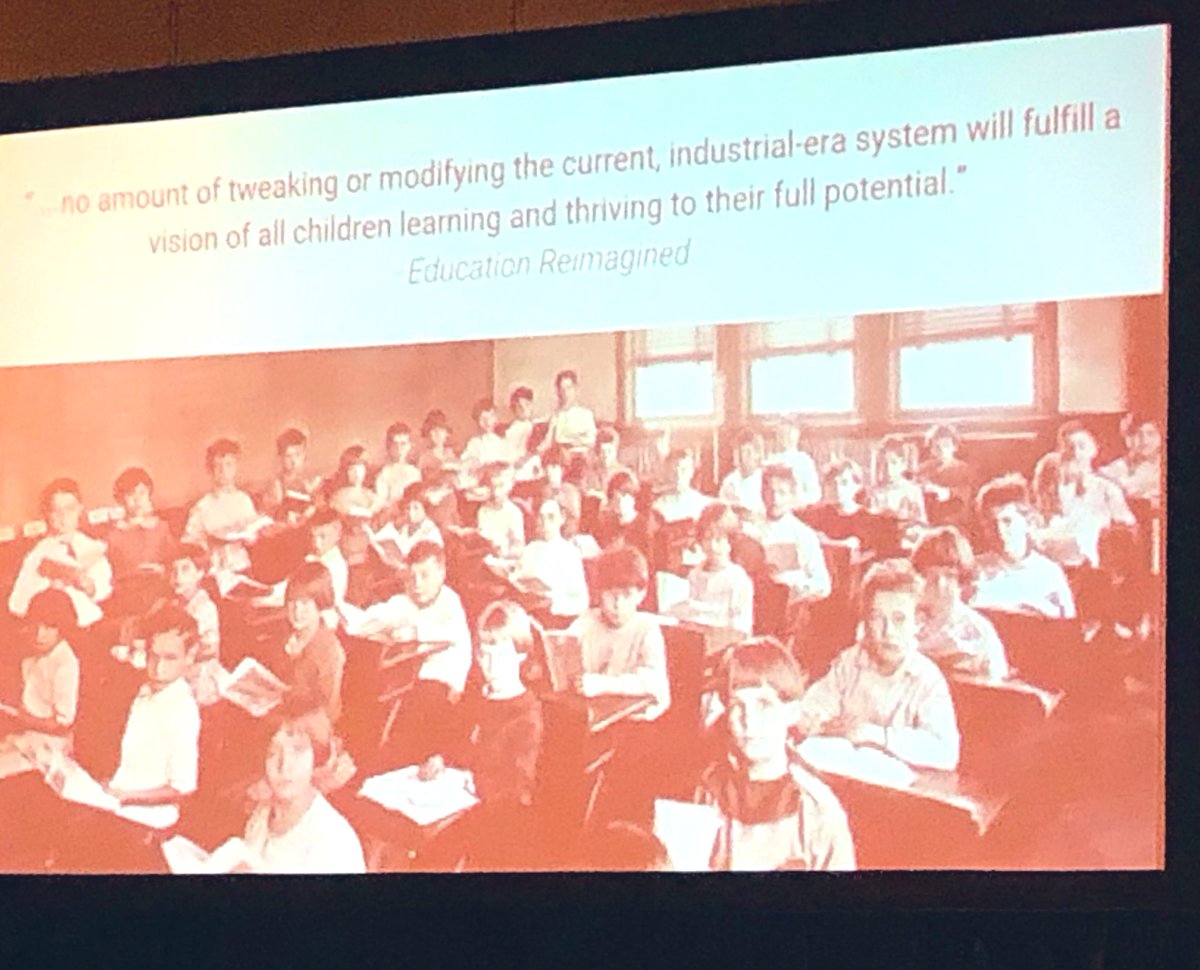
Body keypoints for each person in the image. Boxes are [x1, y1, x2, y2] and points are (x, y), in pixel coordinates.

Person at [691, 637, 855, 871]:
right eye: (738, 705)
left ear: (792, 712)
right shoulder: (709, 791)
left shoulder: (818, 811)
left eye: (764, 705)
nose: (750, 721)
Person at [796, 559, 961, 771]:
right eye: (876, 618)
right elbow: (814, 705)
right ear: (865, 621)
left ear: (917, 623)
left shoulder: (927, 679)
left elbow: (946, 752)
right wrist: (817, 720)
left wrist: (874, 734)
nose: (888, 631)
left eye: (899, 619)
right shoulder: (850, 662)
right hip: (846, 771)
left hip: (897, 784)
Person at [206, 697, 365, 874]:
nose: (285, 766)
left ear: (318, 757)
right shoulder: (262, 815)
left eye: (298, 750)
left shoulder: (333, 843)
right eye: (273, 753)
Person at [347, 541, 472, 760]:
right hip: (409, 676)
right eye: (412, 577)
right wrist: (350, 619)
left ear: (441, 573)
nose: (417, 585)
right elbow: (376, 617)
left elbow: (451, 631)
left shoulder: (450, 602)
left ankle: (401, 757)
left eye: (425, 576)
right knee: (368, 694)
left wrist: (414, 631)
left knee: (415, 715)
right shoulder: (405, 601)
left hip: (444, 680)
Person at [104, 602, 202, 823]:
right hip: (120, 802)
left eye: (170, 658)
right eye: (153, 656)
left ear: (189, 656)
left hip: (149, 819)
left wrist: (127, 796)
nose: (158, 668)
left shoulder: (183, 711)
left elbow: (182, 788)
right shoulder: (145, 691)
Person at [565, 546, 670, 721]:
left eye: (627, 595)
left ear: (641, 594)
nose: (618, 605)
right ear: (599, 594)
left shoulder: (647, 627)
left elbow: (654, 682)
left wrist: (604, 685)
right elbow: (564, 651)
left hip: (634, 722)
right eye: (611, 595)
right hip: (595, 716)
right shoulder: (587, 621)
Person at [9, 477, 113, 629]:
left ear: (80, 509)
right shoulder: (38, 554)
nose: (63, 516)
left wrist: (90, 586)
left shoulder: (92, 547)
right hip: (52, 625)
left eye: (69, 509)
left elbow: (105, 588)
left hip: (88, 625)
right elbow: (17, 603)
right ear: (47, 514)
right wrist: (48, 587)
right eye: (56, 510)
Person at [910, 526, 1010, 681]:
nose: (940, 585)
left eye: (949, 576)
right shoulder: (903, 620)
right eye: (931, 575)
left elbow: (997, 685)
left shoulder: (978, 631)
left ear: (962, 581)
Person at [971, 475, 1076, 619]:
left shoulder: (1048, 573)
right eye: (991, 524)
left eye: (1007, 521)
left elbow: (1069, 625)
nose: (1000, 531)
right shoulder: (975, 571)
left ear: (1027, 521)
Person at [1032, 421, 1135, 569]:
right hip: (1053, 556)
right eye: (1069, 448)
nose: (1076, 454)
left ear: (1094, 449)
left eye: (1081, 446)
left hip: (1090, 559)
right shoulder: (1051, 485)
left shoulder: (1106, 488)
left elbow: (1126, 526)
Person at [0, 588, 80, 758]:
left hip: (49, 744)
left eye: (49, 627)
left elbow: (62, 724)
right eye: (35, 625)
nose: (39, 634)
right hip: (24, 732)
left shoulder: (65, 664)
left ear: (62, 628)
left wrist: (22, 717)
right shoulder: (31, 651)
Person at [181, 438, 263, 577]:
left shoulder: (244, 501)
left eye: (229, 465)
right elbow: (189, 544)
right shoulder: (202, 507)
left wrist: (250, 536)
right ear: (210, 470)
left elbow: (254, 536)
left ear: (236, 467)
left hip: (242, 567)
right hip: (215, 571)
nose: (224, 471)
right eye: (218, 467)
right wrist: (205, 545)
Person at [277, 562, 346, 725]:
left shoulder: (329, 651)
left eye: (305, 603)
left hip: (310, 728)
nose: (297, 611)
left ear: (320, 604)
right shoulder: (286, 635)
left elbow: (327, 711)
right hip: (283, 712)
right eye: (292, 602)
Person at [671, 502, 753, 636]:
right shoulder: (695, 574)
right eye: (707, 539)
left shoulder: (737, 579)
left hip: (725, 638)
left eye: (719, 540)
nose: (712, 547)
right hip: (697, 636)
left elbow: (741, 627)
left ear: (730, 542)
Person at [757, 464, 832, 609]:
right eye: (770, 491)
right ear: (762, 493)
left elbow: (823, 584)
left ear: (792, 495)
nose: (775, 499)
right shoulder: (752, 530)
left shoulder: (802, 534)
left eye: (782, 492)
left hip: (790, 608)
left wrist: (795, 588)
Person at [516, 493, 589, 619]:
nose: (545, 523)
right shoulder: (530, 549)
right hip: (530, 615)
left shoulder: (569, 553)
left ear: (562, 518)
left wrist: (554, 604)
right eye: (541, 518)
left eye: (551, 517)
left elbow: (581, 601)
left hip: (557, 617)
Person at [169, 544, 223, 706]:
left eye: (185, 569)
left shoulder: (205, 608)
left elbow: (209, 650)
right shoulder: (174, 603)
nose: (178, 576)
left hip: (200, 677)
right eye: (174, 570)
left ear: (200, 573)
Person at [106, 466, 174, 585]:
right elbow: (114, 573)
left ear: (149, 495)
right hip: (129, 589)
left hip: (159, 586)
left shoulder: (161, 528)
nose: (137, 499)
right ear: (122, 499)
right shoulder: (115, 536)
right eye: (131, 494)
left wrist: (162, 570)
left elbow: (174, 562)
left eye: (142, 493)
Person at [916, 424, 975, 527]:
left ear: (954, 447)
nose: (941, 450)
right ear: (931, 449)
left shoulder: (964, 469)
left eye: (946, 445)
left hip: (955, 521)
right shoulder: (923, 469)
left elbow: (967, 497)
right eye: (936, 446)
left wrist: (947, 492)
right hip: (926, 521)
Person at [1099, 412, 1163, 509]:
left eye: (1151, 434)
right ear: (1127, 438)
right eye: (1137, 434)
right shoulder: (1113, 470)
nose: (1144, 441)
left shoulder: (1162, 469)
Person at [261, 427, 322, 524]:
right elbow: (270, 513)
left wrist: (314, 508)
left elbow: (321, 504)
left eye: (298, 455)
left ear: (304, 455)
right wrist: (285, 515)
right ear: (281, 458)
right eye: (288, 456)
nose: (294, 461)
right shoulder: (277, 484)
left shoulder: (313, 480)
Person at [868, 434, 926, 524]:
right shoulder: (878, 492)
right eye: (885, 463)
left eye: (893, 462)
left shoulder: (913, 491)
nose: (888, 468)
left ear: (903, 463)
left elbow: (921, 521)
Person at [475, 462, 525, 561]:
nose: (496, 492)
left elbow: (519, 548)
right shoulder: (483, 511)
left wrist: (505, 553)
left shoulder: (513, 513)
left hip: (506, 561)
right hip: (486, 559)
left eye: (500, 486)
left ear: (509, 486)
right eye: (493, 487)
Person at [768, 417, 821, 510]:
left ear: (796, 436)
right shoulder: (770, 460)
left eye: (788, 434)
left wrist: (797, 501)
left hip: (798, 509)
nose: (785, 438)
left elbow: (815, 494)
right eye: (781, 434)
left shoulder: (804, 460)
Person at [541, 369, 597, 455]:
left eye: (569, 388)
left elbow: (591, 440)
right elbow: (548, 441)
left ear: (575, 389)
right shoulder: (557, 416)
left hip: (582, 456)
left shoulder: (585, 414)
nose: (566, 393)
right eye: (562, 390)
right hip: (562, 456)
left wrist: (574, 442)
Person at [651, 448, 711, 525]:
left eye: (683, 470)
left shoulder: (703, 504)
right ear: (667, 473)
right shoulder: (658, 508)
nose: (678, 477)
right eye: (673, 472)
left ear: (691, 472)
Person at [594, 470, 647, 553]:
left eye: (633, 495)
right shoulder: (604, 517)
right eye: (625, 493)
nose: (629, 498)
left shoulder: (638, 521)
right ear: (614, 492)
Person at [373, 422, 421, 513]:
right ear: (389, 447)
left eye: (403, 444)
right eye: (395, 444)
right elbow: (381, 502)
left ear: (409, 446)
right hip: (391, 514)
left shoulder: (415, 472)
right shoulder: (385, 473)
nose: (399, 448)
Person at [461, 399, 509, 486]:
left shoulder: (504, 439)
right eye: (483, 419)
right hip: (482, 483)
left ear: (496, 417)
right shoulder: (474, 443)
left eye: (490, 417)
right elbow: (467, 465)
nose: (487, 423)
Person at [719, 428, 766, 516]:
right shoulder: (729, 482)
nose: (742, 457)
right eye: (738, 452)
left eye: (747, 452)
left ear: (757, 454)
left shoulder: (767, 480)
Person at [541, 445, 583, 539]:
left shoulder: (570, 491)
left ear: (563, 470)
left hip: (566, 537)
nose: (550, 471)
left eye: (554, 467)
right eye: (547, 467)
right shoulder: (541, 491)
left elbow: (574, 519)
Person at [327, 444, 378, 519]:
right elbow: (345, 511)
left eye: (360, 467)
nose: (356, 472)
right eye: (351, 469)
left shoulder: (370, 495)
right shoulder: (339, 496)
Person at [582, 426, 629, 496]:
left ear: (616, 450)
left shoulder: (623, 474)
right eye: (602, 452)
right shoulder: (588, 473)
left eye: (609, 451)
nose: (606, 455)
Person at [503, 385, 539, 476]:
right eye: (519, 406)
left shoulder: (533, 426)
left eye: (527, 405)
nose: (524, 409)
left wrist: (523, 459)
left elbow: (534, 449)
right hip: (509, 460)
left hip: (525, 462)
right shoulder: (512, 427)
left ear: (532, 406)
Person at [417, 409, 458, 482]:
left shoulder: (451, 454)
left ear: (446, 433)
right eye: (433, 431)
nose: (437, 435)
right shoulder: (425, 458)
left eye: (441, 431)